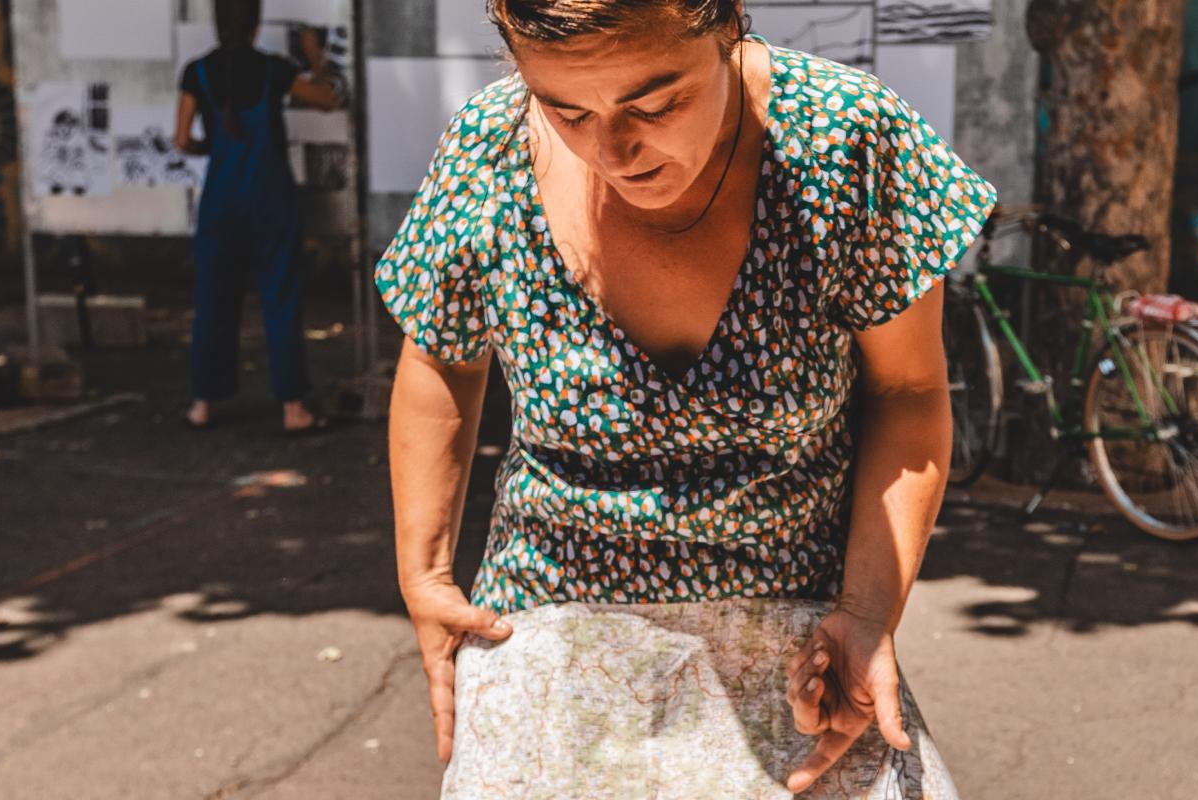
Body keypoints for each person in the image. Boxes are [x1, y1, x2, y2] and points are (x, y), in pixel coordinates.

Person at [376, 1, 995, 796]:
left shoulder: (846, 139)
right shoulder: (487, 147)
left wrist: (870, 610)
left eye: (657, 103)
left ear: (729, 22)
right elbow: (440, 358)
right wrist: (425, 577)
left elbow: (907, 389)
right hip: (546, 617)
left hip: (804, 634)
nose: (614, 151)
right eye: (566, 110)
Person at [174, 0, 339, 433]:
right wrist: (316, 59)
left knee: (212, 300)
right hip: (270, 197)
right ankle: (293, 409)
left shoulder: (197, 72)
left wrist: (211, 148)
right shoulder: (273, 69)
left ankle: (201, 405)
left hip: (220, 199)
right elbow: (326, 99)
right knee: (281, 299)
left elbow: (181, 139)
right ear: (256, 23)